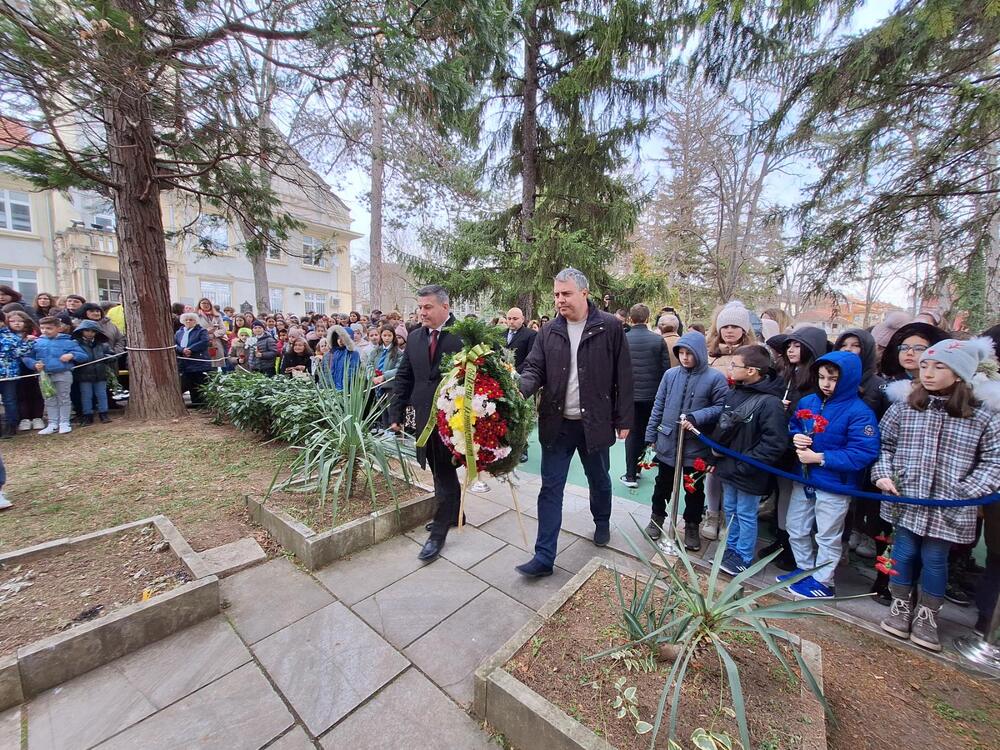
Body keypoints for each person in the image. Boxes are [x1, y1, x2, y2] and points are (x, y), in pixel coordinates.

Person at [874, 337, 1000, 652]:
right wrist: (884, 475)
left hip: (949, 503)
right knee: (903, 552)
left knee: (934, 557)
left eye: (939, 366)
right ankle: (901, 606)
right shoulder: (906, 406)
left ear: (959, 373)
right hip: (908, 497)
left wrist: (967, 492)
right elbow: (885, 444)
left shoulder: (983, 415)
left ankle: (928, 614)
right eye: (925, 365)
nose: (927, 372)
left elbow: (993, 461)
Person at [515, 268, 634, 577]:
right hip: (557, 424)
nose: (559, 300)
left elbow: (624, 375)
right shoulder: (548, 331)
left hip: (595, 423)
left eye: (565, 294)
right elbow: (533, 369)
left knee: (599, 478)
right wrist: (519, 390)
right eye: (556, 294)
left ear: (584, 292)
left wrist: (624, 418)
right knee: (550, 488)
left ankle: (602, 521)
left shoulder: (609, 327)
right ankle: (544, 557)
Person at [778, 352, 880, 598]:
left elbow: (863, 452)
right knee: (796, 525)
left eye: (832, 378)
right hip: (804, 478)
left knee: (827, 534)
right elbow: (794, 424)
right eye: (822, 377)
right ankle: (804, 568)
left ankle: (824, 580)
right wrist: (796, 436)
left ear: (847, 380)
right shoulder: (808, 402)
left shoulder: (859, 412)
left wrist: (821, 458)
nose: (826, 383)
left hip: (835, 483)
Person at [390, 285, 465, 561]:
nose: (422, 312)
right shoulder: (415, 337)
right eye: (420, 307)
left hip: (452, 419)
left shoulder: (463, 336)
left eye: (428, 307)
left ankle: (438, 534)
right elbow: (404, 376)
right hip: (423, 416)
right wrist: (395, 414)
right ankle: (457, 513)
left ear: (445, 307)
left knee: (444, 471)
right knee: (438, 468)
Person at [643, 331, 728, 549]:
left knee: (693, 490)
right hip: (668, 442)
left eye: (689, 353)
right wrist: (651, 435)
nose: (685, 357)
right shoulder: (670, 375)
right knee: (662, 484)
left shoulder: (714, 378)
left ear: (699, 352)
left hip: (696, 446)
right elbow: (659, 405)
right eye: (681, 352)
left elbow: (721, 408)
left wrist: (696, 417)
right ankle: (657, 518)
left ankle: (691, 525)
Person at [710, 344, 787, 576]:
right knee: (731, 509)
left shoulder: (770, 403)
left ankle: (743, 554)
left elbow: (774, 442)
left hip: (749, 470)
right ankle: (730, 548)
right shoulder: (734, 393)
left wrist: (746, 463)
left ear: (752, 370)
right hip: (729, 466)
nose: (731, 368)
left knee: (745, 512)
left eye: (735, 365)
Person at [761, 326, 830, 570]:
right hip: (782, 445)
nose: (791, 350)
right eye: (789, 346)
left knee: (797, 500)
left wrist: (789, 412)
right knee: (782, 494)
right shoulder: (787, 374)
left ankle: (793, 547)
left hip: (801, 450)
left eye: (797, 345)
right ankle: (781, 540)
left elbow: (810, 417)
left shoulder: (814, 382)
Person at [701, 301, 756, 542]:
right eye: (725, 326)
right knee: (712, 469)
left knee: (733, 470)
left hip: (742, 419)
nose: (729, 331)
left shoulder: (755, 352)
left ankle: (729, 517)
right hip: (712, 418)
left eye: (735, 326)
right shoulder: (709, 352)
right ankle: (712, 513)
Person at [621, 304, 670, 488]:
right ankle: (637, 469)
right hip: (651, 396)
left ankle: (631, 474)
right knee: (644, 432)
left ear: (630, 319)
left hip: (630, 396)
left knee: (632, 434)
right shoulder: (658, 341)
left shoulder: (624, 339)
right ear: (648, 319)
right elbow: (665, 371)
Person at [22, 315, 89, 434]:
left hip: (63, 373)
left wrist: (71, 355)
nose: (45, 331)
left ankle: (64, 422)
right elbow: (27, 357)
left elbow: (83, 356)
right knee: (49, 399)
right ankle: (52, 423)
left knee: (63, 398)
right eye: (42, 328)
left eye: (49, 328)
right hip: (44, 376)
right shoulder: (36, 342)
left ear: (59, 328)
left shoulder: (68, 342)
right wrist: (33, 364)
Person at [71, 320, 114, 424]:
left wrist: (106, 357)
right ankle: (87, 416)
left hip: (100, 374)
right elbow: (74, 357)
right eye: (87, 331)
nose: (90, 333)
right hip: (83, 375)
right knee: (86, 395)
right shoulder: (76, 344)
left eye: (93, 331)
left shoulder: (102, 344)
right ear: (81, 331)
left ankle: (104, 414)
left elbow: (112, 355)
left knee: (102, 395)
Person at [6, 312, 44, 431]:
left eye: (20, 321)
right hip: (14, 370)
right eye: (13, 321)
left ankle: (37, 417)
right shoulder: (6, 337)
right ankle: (24, 418)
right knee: (19, 394)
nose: (17, 323)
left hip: (32, 369)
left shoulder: (34, 336)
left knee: (36, 393)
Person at [0, 311, 33, 438]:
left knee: (9, 400)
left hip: (9, 374)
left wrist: (29, 343)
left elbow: (18, 352)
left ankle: (11, 425)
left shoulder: (11, 337)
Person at [175, 312, 212, 406]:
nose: (188, 321)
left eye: (191, 320)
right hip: (184, 362)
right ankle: (194, 402)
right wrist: (182, 350)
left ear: (195, 321)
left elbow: (204, 342)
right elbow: (175, 344)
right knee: (188, 382)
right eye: (186, 320)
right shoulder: (179, 332)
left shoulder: (201, 331)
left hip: (198, 361)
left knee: (199, 383)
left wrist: (191, 349)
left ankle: (200, 403)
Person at [322, 325, 361, 390]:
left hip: (346, 390)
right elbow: (324, 372)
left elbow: (352, 373)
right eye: (338, 338)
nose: (340, 341)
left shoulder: (353, 354)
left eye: (342, 338)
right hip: (331, 389)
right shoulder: (331, 353)